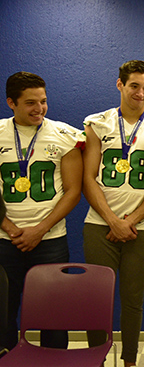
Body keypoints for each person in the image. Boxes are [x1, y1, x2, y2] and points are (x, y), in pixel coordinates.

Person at [82, 60, 144, 367]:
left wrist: (130, 221)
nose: (141, 93)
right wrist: (112, 220)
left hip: (140, 227)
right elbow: (87, 179)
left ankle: (131, 361)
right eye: (134, 86)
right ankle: (97, 360)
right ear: (120, 85)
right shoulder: (98, 123)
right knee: (97, 299)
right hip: (99, 225)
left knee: (133, 300)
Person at [0, 71, 84, 350]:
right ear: (11, 102)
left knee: (55, 315)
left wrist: (39, 230)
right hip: (5, 240)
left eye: (44, 101)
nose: (39, 109)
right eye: (30, 103)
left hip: (50, 240)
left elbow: (73, 191)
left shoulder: (65, 135)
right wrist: (11, 229)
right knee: (3, 313)